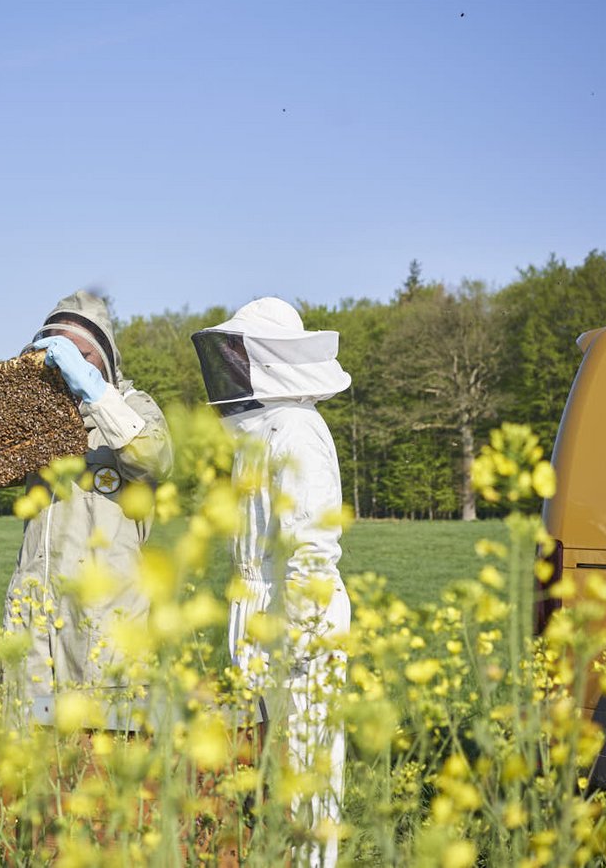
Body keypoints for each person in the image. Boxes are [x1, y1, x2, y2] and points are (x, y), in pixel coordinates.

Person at [0, 290, 171, 721]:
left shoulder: (135, 407)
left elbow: (153, 459)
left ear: (104, 357)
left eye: (81, 354)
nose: (68, 364)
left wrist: (96, 393)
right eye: (59, 352)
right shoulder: (32, 416)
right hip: (34, 613)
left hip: (106, 615)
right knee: (31, 755)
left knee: (108, 753)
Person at [192, 297, 352, 868]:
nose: (229, 368)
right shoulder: (258, 437)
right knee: (268, 763)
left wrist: (301, 636)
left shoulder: (299, 431)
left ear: (268, 361)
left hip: (298, 613)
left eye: (238, 355)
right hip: (261, 608)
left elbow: (312, 546)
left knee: (308, 766)